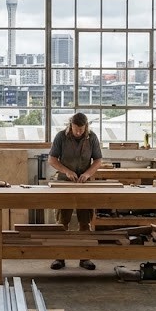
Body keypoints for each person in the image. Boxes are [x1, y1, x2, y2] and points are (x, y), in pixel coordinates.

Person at [47, 112, 104, 270]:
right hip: (64, 183)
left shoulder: (91, 137)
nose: (78, 132)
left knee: (85, 220)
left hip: (84, 183)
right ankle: (60, 257)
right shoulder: (61, 137)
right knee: (62, 220)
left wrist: (87, 174)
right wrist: (66, 171)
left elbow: (98, 160)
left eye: (81, 129)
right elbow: (52, 159)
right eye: (75, 129)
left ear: (86, 127)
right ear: (70, 125)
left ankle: (84, 257)